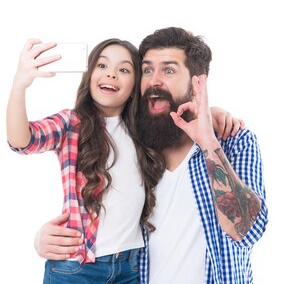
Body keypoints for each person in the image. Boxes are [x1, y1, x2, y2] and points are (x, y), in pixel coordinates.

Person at [35, 27, 268, 284]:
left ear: (197, 82)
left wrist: (208, 141)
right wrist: (49, 239)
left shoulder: (234, 142)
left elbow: (247, 232)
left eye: (168, 70)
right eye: (147, 70)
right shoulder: (137, 144)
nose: (154, 81)